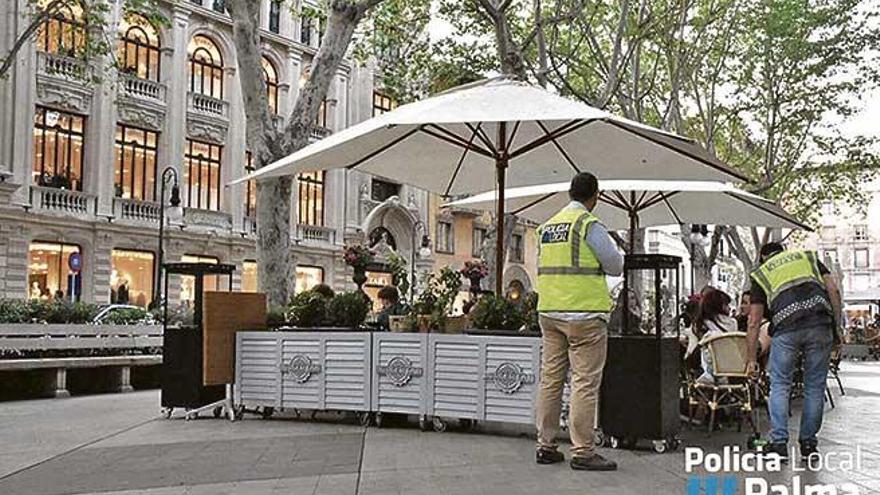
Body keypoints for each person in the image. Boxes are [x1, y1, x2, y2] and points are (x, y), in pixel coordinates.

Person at [534, 172, 622, 471]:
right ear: (594, 195)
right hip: (584, 316)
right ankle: (583, 451)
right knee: (584, 382)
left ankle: (545, 445)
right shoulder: (588, 224)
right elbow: (615, 265)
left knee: (551, 378)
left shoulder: (546, 228)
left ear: (570, 193)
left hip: (549, 312)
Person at [746, 242, 842, 462]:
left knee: (780, 384)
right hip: (820, 325)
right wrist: (837, 328)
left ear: (762, 257)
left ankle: (779, 443)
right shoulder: (807, 258)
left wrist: (752, 359)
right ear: (784, 251)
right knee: (815, 386)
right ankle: (808, 443)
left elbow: (753, 321)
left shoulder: (762, 273)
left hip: (786, 329)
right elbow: (833, 291)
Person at [694, 289, 736, 385]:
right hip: (731, 366)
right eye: (726, 305)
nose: (729, 308)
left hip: (710, 365)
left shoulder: (701, 324)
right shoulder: (733, 323)